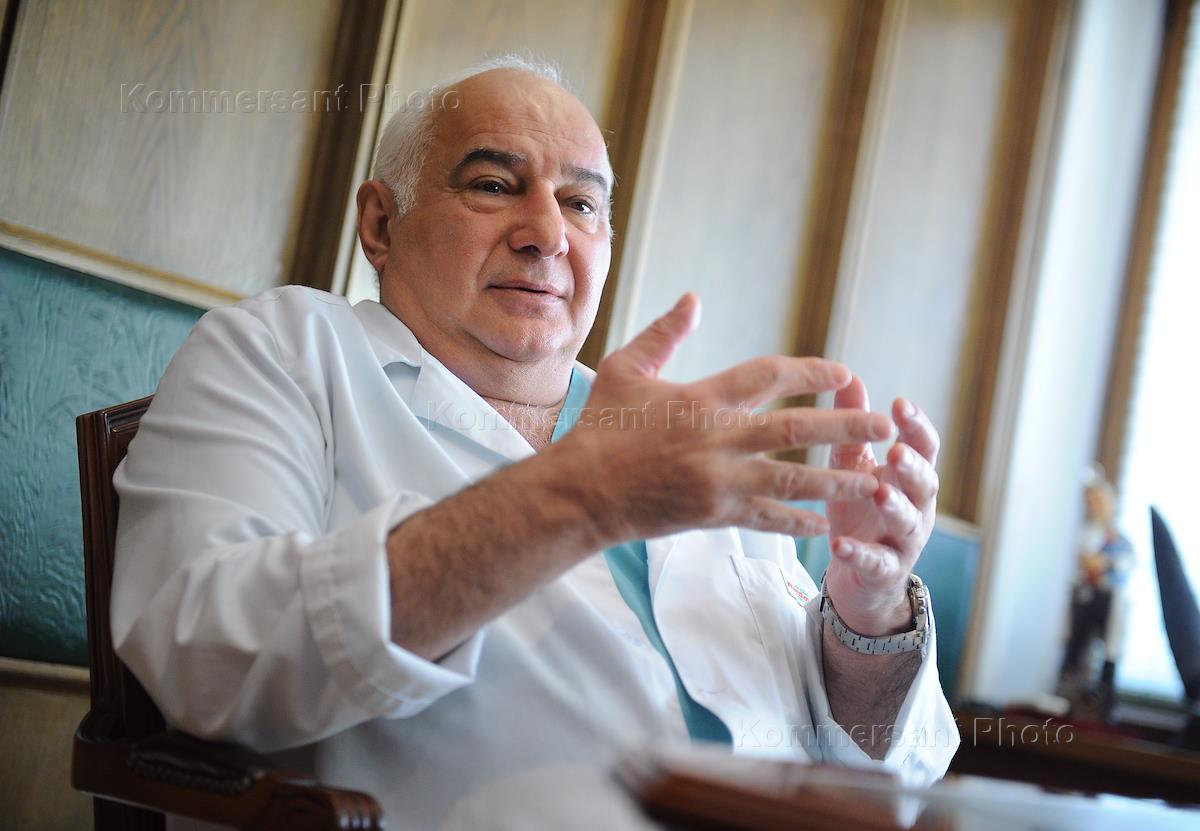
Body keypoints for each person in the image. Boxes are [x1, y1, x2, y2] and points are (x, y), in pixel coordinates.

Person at [111, 56, 958, 829]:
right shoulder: (286, 352)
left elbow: (879, 776)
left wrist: (867, 614)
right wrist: (580, 497)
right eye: (493, 184)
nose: (547, 233)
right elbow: (202, 653)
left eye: (581, 204)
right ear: (381, 223)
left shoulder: (678, 437)